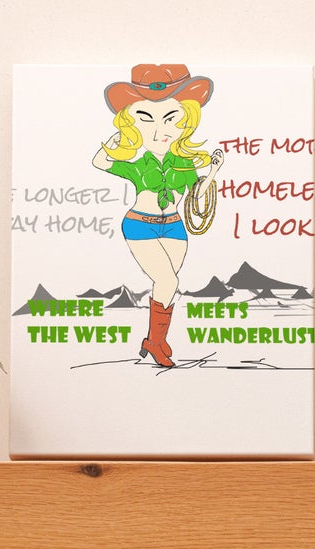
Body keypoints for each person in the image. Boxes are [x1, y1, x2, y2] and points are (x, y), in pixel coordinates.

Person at [92, 64, 224, 366]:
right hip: (140, 225)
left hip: (175, 227)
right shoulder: (139, 164)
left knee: (166, 284)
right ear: (132, 125)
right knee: (168, 282)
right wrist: (115, 142)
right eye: (145, 119)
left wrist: (213, 170)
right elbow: (100, 163)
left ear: (186, 122)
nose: (159, 130)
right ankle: (156, 342)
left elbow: (197, 195)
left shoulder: (184, 164)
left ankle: (154, 340)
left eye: (170, 119)